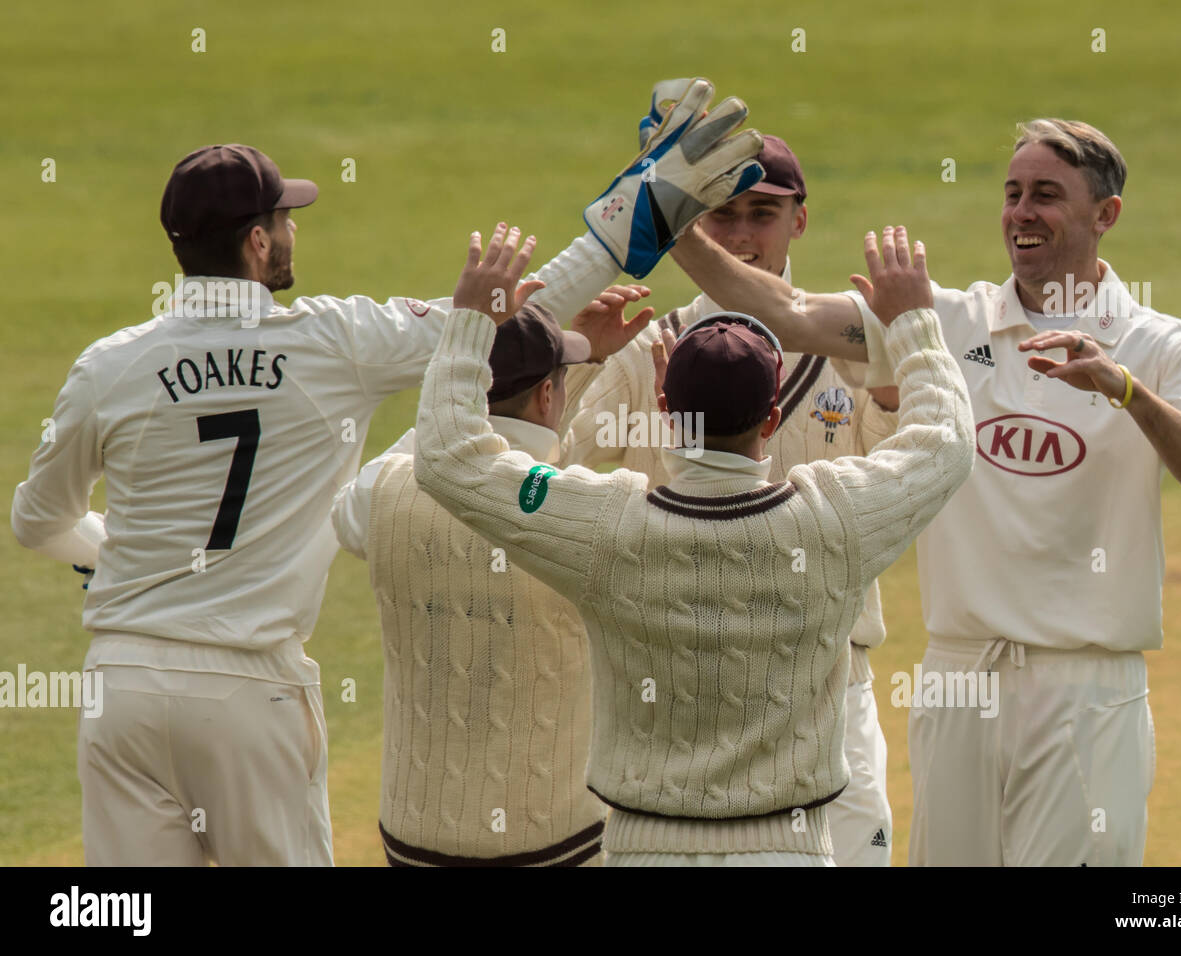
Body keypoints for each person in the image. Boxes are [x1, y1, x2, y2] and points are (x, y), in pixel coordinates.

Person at [9, 89, 759, 865]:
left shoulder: (106, 366)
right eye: (286, 218)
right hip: (248, 693)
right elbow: (500, 320)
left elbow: (37, 522)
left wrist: (116, 558)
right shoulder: (337, 341)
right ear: (259, 244)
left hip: (121, 686)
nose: (293, 229)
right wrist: (638, 211)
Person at [667, 119, 1181, 865]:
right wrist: (664, 216)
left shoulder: (1162, 346)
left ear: (1106, 215)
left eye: (1046, 194)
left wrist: (1124, 388)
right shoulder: (942, 322)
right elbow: (785, 314)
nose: (1021, 212)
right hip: (955, 679)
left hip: (1084, 687)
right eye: (1012, 194)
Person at [411, 221, 973, 866]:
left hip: (643, 850)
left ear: (664, 407)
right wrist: (914, 324)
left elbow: (449, 456)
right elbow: (946, 443)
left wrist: (472, 323)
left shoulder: (605, 526)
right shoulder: (834, 520)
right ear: (772, 417)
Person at [566, 134, 900, 865]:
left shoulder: (851, 346)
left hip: (828, 681)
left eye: (763, 213)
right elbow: (555, 458)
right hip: (678, 685)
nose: (743, 236)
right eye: (722, 215)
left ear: (799, 221)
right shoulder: (642, 345)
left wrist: (892, 361)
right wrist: (577, 358)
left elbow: (901, 465)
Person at [330, 290, 652, 867]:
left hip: (414, 842)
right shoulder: (591, 512)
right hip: (557, 843)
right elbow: (534, 473)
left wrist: (449, 414)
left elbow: (396, 487)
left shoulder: (383, 495)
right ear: (550, 393)